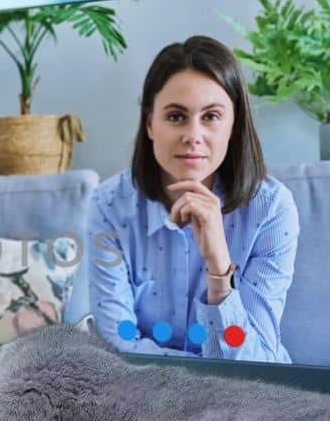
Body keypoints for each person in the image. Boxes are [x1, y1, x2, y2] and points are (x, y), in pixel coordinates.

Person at [85, 35, 298, 363]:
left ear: (233, 125)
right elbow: (116, 347)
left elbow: (258, 366)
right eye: (175, 116)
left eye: (211, 116)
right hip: (143, 401)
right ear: (149, 124)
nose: (193, 135)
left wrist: (219, 269)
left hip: (244, 404)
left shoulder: (271, 210)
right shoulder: (108, 206)